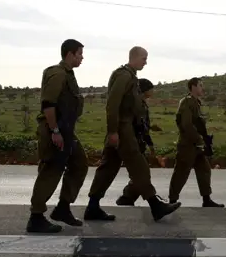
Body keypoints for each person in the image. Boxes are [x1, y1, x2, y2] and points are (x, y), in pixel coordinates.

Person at [84, 46, 180, 222]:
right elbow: (112, 104)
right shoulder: (123, 75)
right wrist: (113, 131)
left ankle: (92, 206)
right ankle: (155, 204)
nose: (146, 61)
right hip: (122, 128)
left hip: (124, 128)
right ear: (134, 57)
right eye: (144, 58)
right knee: (139, 166)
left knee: (108, 169)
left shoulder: (131, 77)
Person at [27, 39, 89, 233]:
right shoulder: (57, 74)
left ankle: (63, 208)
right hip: (55, 129)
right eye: (79, 54)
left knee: (79, 164)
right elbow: (48, 105)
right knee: (51, 171)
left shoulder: (68, 75)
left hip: (66, 130)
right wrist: (55, 131)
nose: (82, 58)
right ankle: (36, 217)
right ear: (70, 54)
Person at [167, 77, 224, 208]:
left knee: (204, 170)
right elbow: (186, 124)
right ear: (193, 87)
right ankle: (172, 200)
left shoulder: (196, 103)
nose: (202, 88)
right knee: (181, 172)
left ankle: (206, 199)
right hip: (188, 144)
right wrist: (199, 140)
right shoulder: (187, 102)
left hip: (197, 144)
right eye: (200, 85)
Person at [115, 78, 156, 206]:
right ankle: (130, 198)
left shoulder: (143, 105)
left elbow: (144, 128)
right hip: (133, 143)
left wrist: (150, 144)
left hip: (140, 143)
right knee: (141, 173)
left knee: (139, 174)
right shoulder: (136, 106)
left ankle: (127, 197)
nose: (152, 92)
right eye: (150, 89)